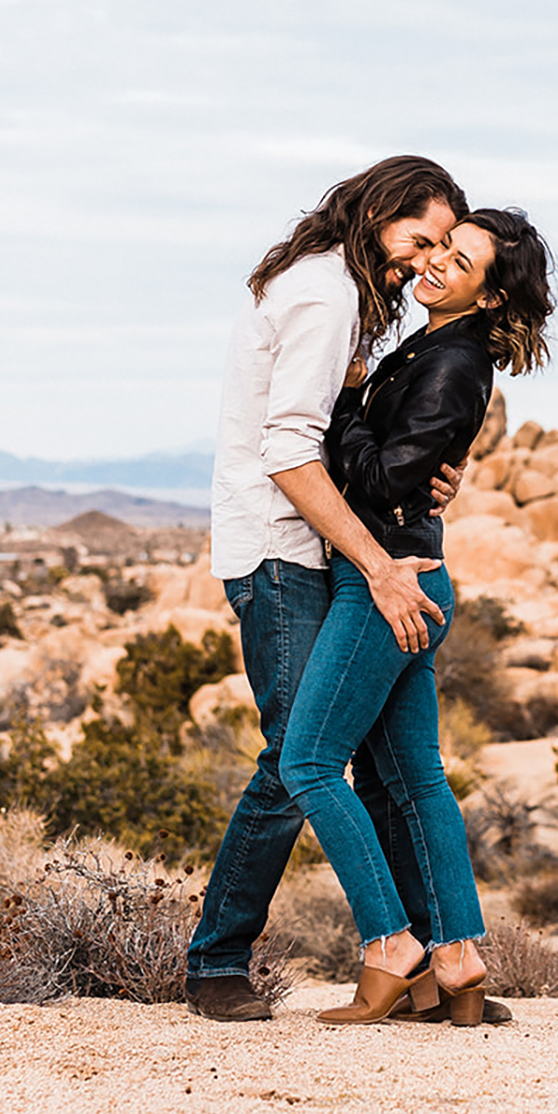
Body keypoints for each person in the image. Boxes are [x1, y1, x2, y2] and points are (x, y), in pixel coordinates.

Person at [185, 154, 470, 1021]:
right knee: (293, 757)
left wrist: (414, 477)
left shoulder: (337, 289)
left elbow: (347, 437)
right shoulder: (325, 291)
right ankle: (216, 963)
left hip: (319, 553)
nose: (421, 261)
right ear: (379, 212)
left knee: (386, 762)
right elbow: (288, 451)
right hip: (281, 554)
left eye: (441, 249)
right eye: (417, 238)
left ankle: (428, 964)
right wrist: (380, 565)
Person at [278, 208, 556, 1026]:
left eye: (460, 260)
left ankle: (391, 943)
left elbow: (387, 479)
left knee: (309, 762)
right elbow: (414, 466)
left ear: (490, 291)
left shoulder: (452, 361)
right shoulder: (438, 349)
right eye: (438, 246)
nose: (435, 264)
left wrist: (347, 401)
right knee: (412, 777)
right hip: (413, 571)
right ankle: (461, 957)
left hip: (389, 581)